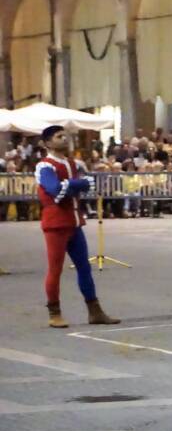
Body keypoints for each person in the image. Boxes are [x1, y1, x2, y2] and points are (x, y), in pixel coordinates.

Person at [35, 126, 119, 328]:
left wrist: (71, 185)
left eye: (65, 135)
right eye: (59, 136)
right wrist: (76, 184)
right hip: (56, 224)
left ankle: (94, 311)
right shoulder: (44, 166)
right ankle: (54, 312)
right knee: (55, 269)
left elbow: (83, 185)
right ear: (47, 143)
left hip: (74, 222)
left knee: (84, 267)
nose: (64, 139)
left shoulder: (71, 163)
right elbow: (56, 191)